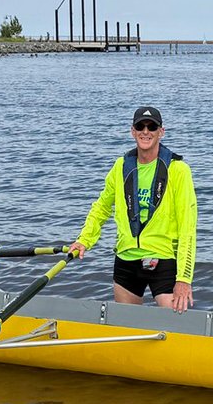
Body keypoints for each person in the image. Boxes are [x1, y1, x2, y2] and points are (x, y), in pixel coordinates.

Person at [70, 104, 197, 311]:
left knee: (177, 324)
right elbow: (101, 207)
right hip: (126, 260)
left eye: (152, 127)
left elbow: (188, 227)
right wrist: (84, 240)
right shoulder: (121, 166)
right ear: (133, 131)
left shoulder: (178, 170)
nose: (145, 132)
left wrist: (184, 278)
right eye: (140, 126)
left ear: (161, 132)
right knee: (128, 325)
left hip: (162, 260)